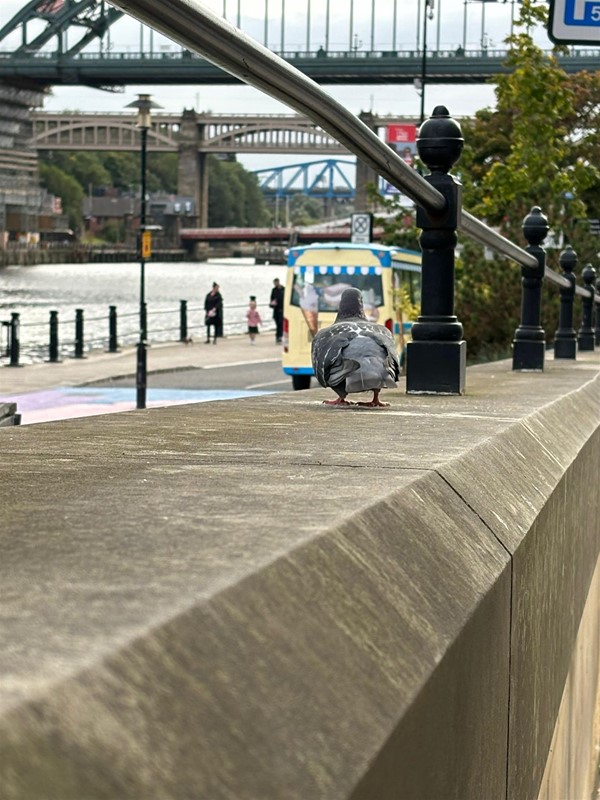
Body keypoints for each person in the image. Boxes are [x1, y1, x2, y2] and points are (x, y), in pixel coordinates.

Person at [269, 277, 285, 343]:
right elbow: (272, 298)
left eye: (276, 282)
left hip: (282, 309)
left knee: (280, 323)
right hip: (276, 309)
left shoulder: (283, 289)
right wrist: (272, 303)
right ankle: (278, 336)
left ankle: (279, 336)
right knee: (277, 323)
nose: (275, 284)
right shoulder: (274, 290)